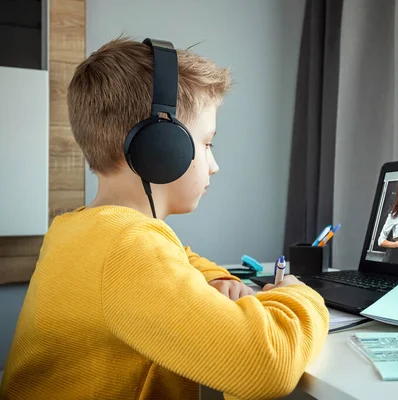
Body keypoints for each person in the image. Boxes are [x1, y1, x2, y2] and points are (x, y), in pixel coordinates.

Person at [0, 38, 329, 400]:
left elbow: (181, 257)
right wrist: (300, 295)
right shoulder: (129, 248)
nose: (214, 166)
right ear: (160, 146)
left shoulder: (77, 228)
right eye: (207, 144)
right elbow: (268, 366)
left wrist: (216, 278)